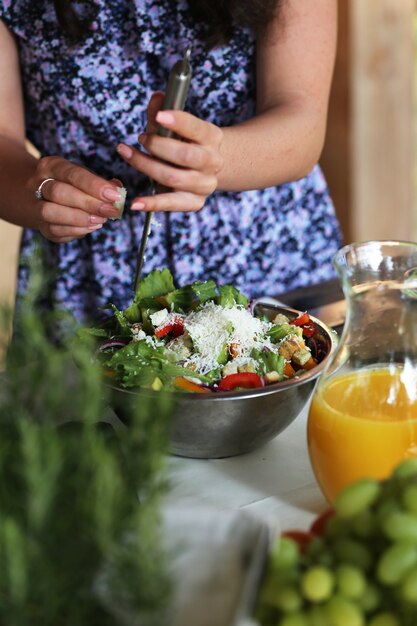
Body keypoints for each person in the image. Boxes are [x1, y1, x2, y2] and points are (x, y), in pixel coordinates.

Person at [0, 0, 342, 324]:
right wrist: (43, 194)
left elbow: (302, 119)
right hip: (83, 284)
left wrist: (216, 160)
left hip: (271, 259)